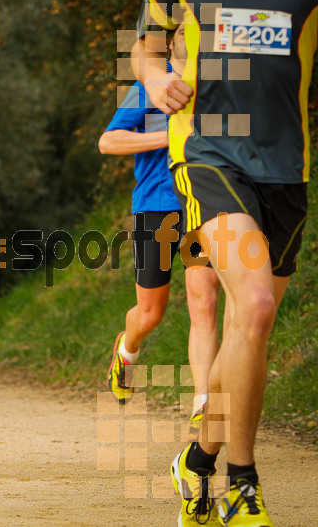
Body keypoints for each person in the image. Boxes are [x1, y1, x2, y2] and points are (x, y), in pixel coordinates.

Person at [133, 0, 315, 525]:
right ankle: (242, 483)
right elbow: (146, 48)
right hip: (209, 155)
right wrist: (154, 79)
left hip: (286, 167)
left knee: (247, 328)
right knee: (255, 306)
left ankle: (196, 460)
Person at [100, 24, 220, 444]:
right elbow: (108, 142)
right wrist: (168, 136)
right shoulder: (153, 85)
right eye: (181, 36)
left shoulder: (221, 82)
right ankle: (126, 349)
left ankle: (203, 402)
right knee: (150, 313)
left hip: (200, 207)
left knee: (203, 300)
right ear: (168, 44)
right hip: (157, 205)